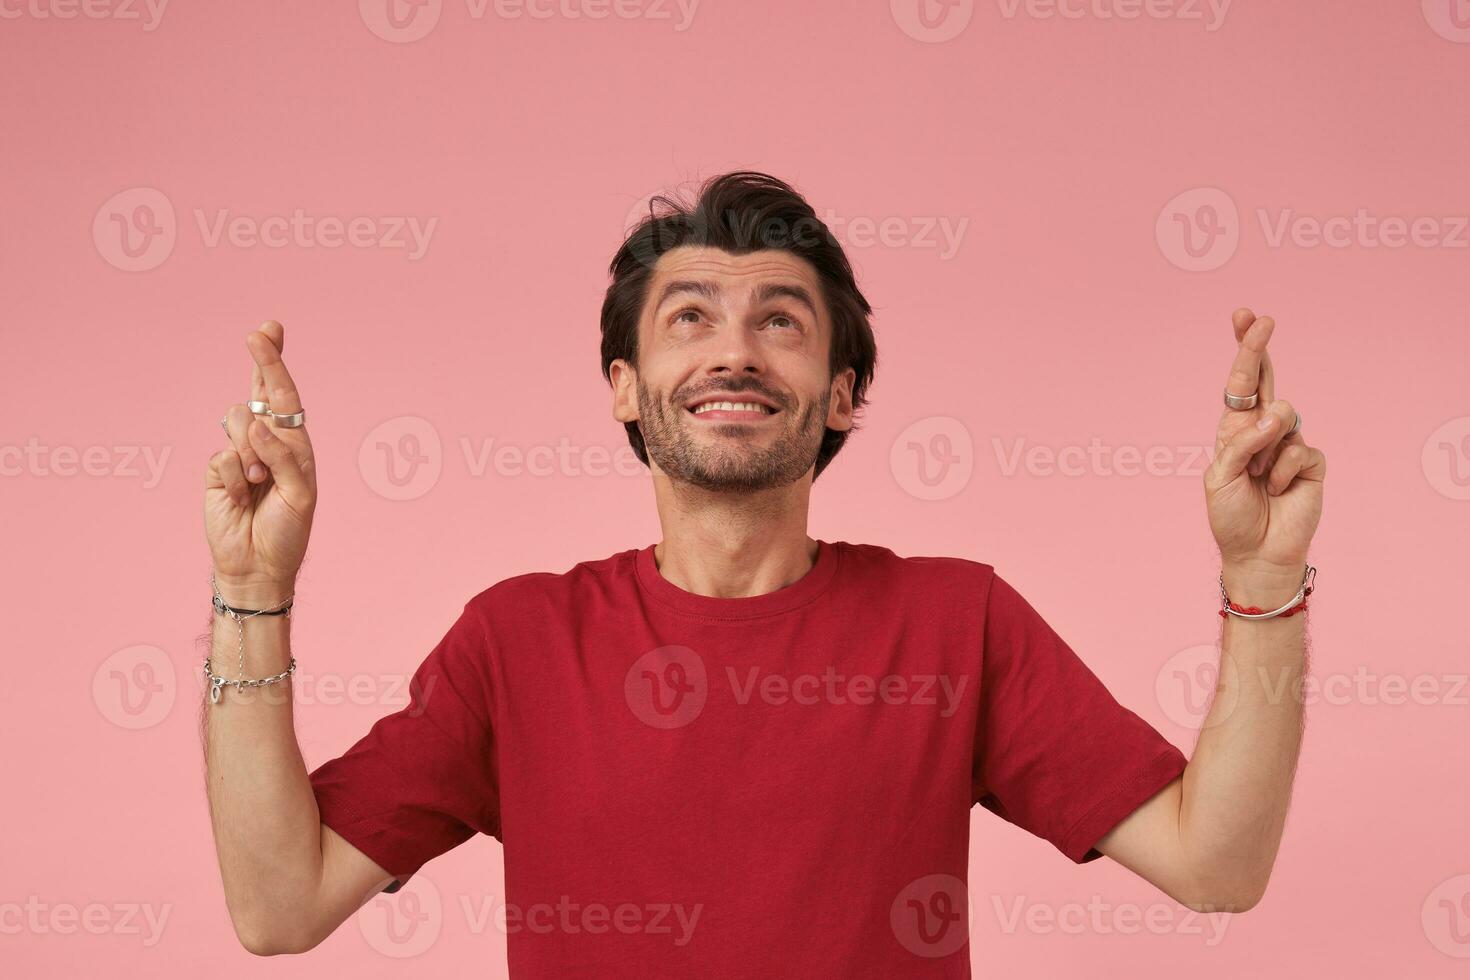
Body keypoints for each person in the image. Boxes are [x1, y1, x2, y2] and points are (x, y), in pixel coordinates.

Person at [202, 171, 1325, 977]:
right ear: (626, 387)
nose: (733, 350)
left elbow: (1214, 863)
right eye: (690, 317)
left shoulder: (955, 621)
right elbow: (278, 902)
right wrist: (252, 591)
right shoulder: (518, 640)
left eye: (780, 321)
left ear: (839, 395)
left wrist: (1262, 574)